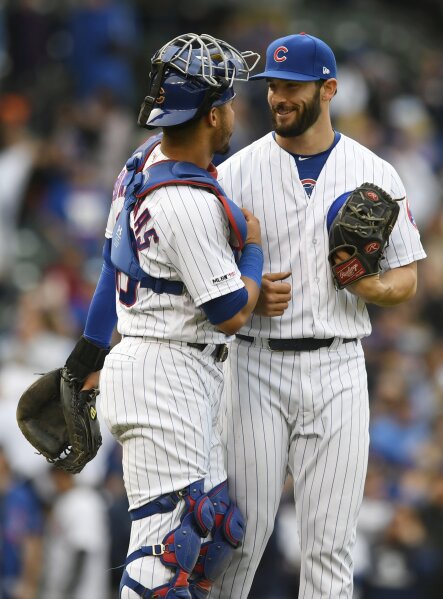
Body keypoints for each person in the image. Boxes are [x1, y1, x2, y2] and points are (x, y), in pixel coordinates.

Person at [209, 32, 427, 598]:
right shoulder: (234, 174)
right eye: (273, 87)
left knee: (330, 549)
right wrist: (247, 291)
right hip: (256, 365)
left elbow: (408, 278)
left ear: (328, 89)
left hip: (339, 368)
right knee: (240, 539)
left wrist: (374, 286)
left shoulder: (375, 171)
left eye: (292, 87)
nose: (278, 97)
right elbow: (204, 282)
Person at [78, 33, 264, 599]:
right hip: (167, 374)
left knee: (212, 531)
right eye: (228, 102)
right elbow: (232, 311)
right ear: (211, 115)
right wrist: (252, 256)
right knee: (168, 550)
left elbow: (112, 265)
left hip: (164, 365)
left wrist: (85, 355)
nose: (234, 111)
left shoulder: (142, 161)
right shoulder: (185, 201)